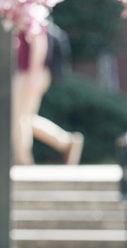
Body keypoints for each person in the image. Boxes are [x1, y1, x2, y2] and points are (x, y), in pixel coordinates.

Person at [13, 26, 84, 165]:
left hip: (30, 74)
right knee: (24, 118)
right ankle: (66, 141)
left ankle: (23, 160)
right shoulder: (23, 18)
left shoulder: (31, 17)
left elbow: (39, 45)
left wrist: (34, 74)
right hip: (27, 73)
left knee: (19, 118)